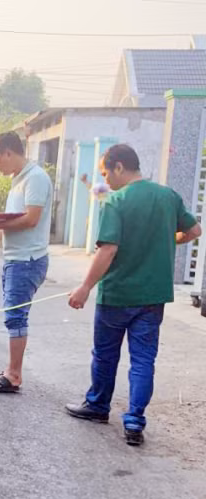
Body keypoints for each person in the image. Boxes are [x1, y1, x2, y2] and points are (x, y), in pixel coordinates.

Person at [65, 144, 201, 446]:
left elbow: (108, 249)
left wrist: (85, 286)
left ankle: (98, 406)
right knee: (143, 360)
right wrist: (167, 241)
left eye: (105, 172)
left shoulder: (118, 201)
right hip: (153, 298)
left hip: (117, 294)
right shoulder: (169, 197)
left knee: (105, 355)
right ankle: (135, 421)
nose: (106, 180)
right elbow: (194, 231)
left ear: (119, 167)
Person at [0, 131, 52, 393]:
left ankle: (14, 375)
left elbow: (30, 220)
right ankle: (10, 370)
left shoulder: (36, 178)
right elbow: (11, 222)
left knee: (16, 317)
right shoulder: (19, 179)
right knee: (12, 315)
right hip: (15, 258)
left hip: (27, 260)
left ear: (8, 152)